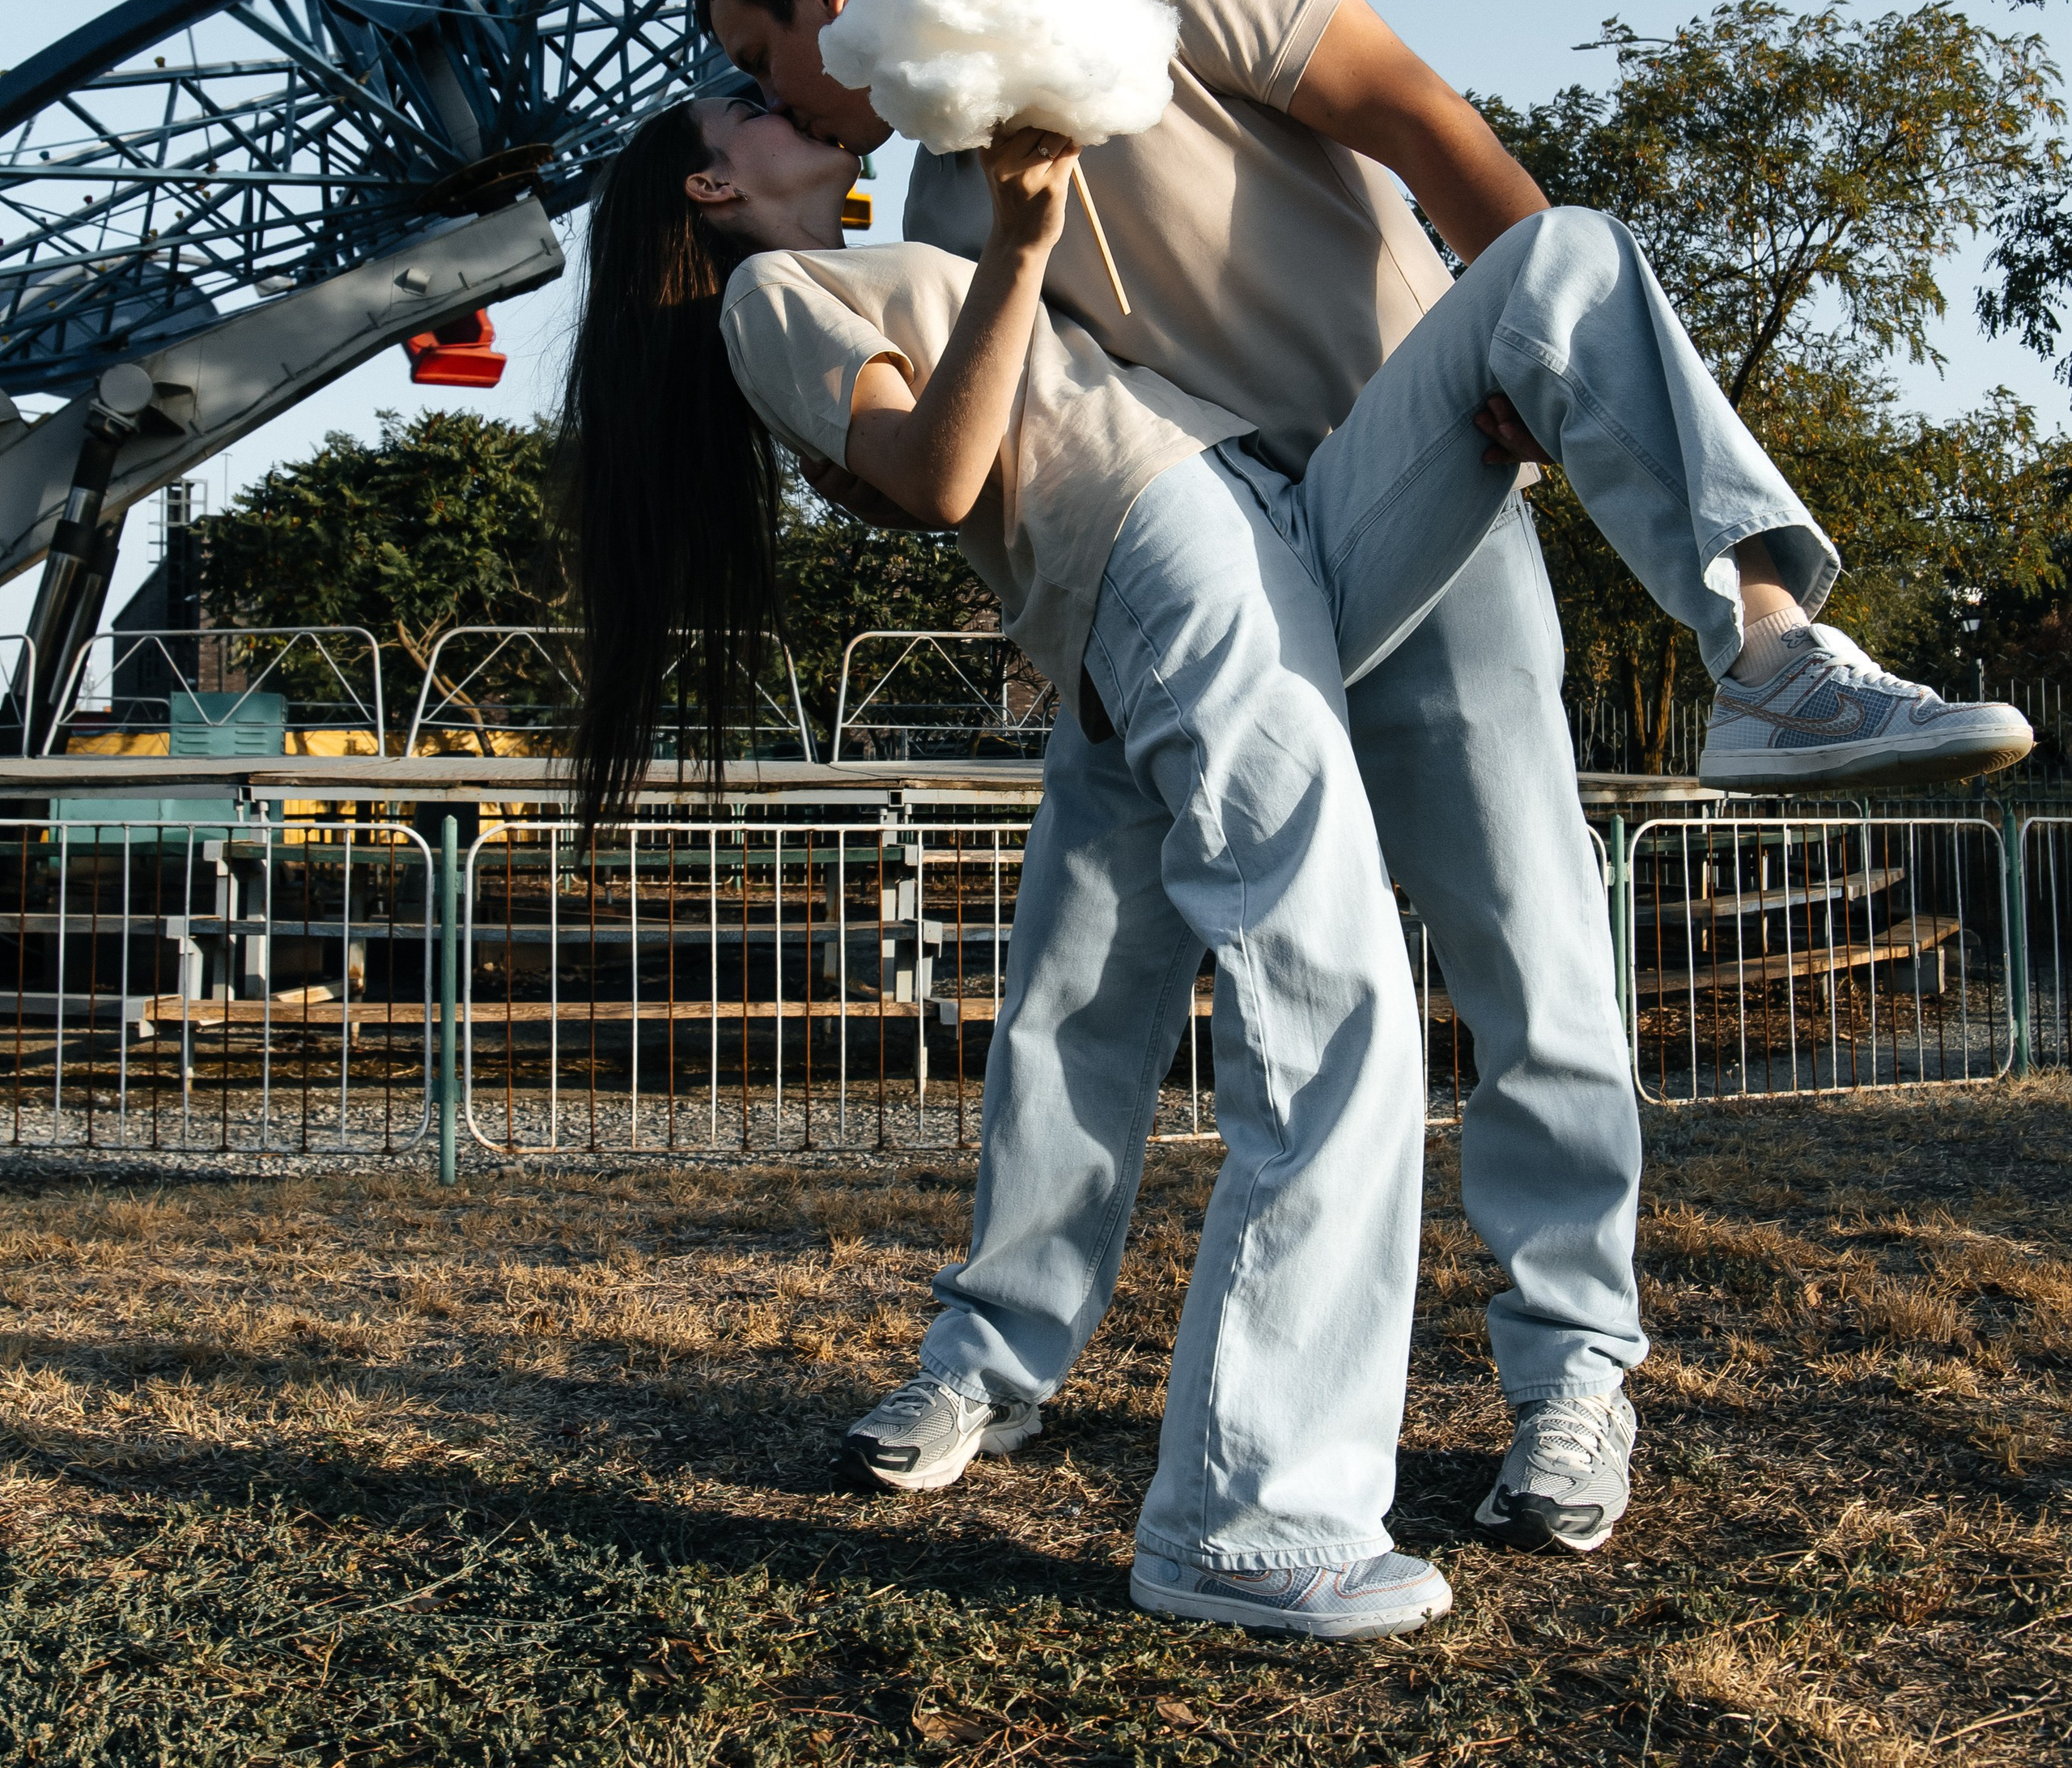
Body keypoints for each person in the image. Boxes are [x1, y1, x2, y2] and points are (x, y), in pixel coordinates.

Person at [560, 80, 2021, 1641]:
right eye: (751, 107)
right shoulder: (774, 297)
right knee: (1331, 1011)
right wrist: (1024, 239)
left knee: (1558, 264)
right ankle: (1246, 1522)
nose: (793, 103)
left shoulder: (891, 241)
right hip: (1160, 546)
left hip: (1274, 511)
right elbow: (936, 474)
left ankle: (1769, 648)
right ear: (710, 190)